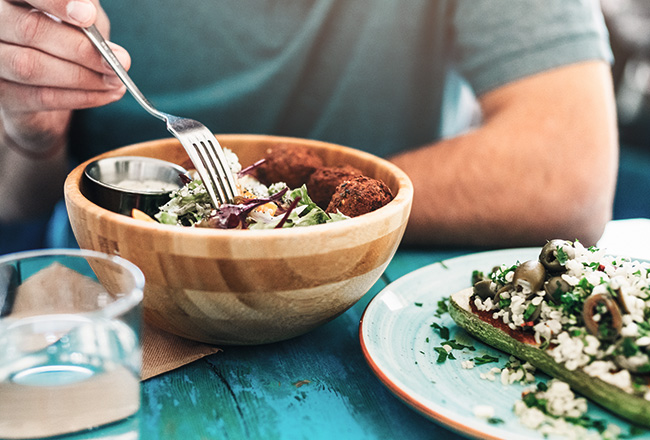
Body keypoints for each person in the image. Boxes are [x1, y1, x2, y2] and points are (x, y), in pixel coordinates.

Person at [0, 0, 618, 253]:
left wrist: (298, 216)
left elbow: (568, 172)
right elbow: (15, 198)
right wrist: (33, 135)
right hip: (103, 290)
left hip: (374, 298)